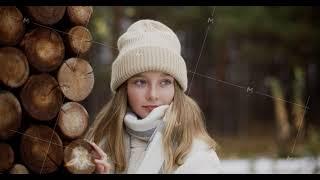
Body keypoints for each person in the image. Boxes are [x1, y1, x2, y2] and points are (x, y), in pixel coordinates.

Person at [85, 19, 221, 174]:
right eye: (141, 82)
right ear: (124, 88)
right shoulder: (99, 147)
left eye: (164, 82)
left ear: (176, 88)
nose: (153, 95)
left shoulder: (197, 154)